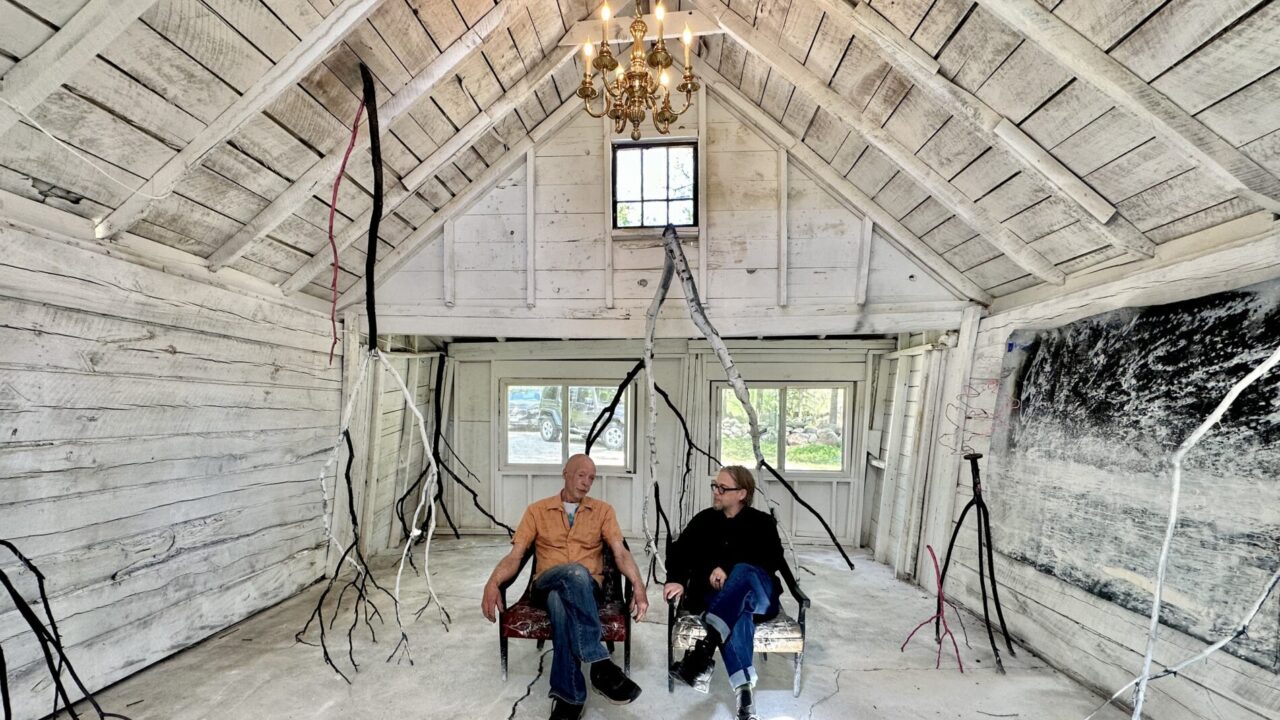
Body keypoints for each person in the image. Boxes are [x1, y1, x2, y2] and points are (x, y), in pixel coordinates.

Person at [481, 454, 649, 720]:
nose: (586, 483)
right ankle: (600, 664)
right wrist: (492, 583)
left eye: (591, 478)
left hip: (586, 589)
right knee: (573, 572)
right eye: (581, 475)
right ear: (565, 474)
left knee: (564, 598)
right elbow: (515, 556)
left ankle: (569, 696)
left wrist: (638, 585)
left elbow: (621, 553)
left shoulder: (603, 511)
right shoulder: (537, 510)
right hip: (544, 585)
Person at [665, 465, 784, 720]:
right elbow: (679, 552)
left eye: (722, 488)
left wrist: (729, 571)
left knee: (743, 572)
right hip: (720, 600)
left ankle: (703, 652)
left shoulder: (762, 522)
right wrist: (676, 580)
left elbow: (772, 560)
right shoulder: (705, 520)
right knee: (737, 615)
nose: (715, 492)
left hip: (759, 595)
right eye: (714, 486)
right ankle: (745, 698)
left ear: (742, 493)